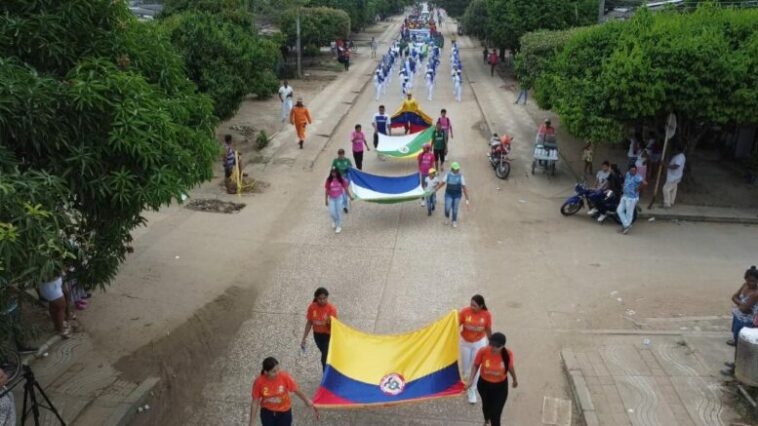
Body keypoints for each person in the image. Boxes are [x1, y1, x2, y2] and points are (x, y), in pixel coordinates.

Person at [464, 332, 518, 426]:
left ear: (502, 346)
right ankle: (486, 419)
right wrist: (470, 380)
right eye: (491, 344)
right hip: (484, 385)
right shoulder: (483, 351)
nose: (492, 348)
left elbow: (510, 367)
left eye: (496, 346)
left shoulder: (508, 354)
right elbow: (476, 365)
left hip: (500, 388)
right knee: (486, 406)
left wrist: (514, 379)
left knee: (496, 415)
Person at [249, 357, 315, 426]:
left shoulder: (284, 377)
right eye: (273, 371)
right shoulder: (259, 382)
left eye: (278, 369)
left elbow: (296, 389)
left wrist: (306, 400)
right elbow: (255, 401)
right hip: (267, 413)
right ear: (266, 372)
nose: (277, 373)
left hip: (285, 412)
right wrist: (252, 422)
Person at [722, 266, 758, 376]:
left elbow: (744, 308)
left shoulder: (755, 294)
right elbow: (734, 296)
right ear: (745, 279)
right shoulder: (744, 286)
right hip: (738, 318)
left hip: (747, 322)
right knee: (737, 342)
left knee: (740, 345)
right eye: (748, 280)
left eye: (753, 281)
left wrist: (740, 304)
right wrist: (741, 304)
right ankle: (736, 363)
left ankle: (736, 368)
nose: (750, 283)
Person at [459, 295, 493, 404]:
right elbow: (455, 324)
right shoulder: (465, 312)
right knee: (465, 368)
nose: (471, 307)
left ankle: (472, 389)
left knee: (476, 367)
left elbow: (488, 330)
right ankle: (464, 381)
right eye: (471, 304)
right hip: (465, 343)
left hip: (479, 344)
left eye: (474, 305)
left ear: (481, 306)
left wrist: (492, 345)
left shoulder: (486, 315)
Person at [300, 287, 337, 371]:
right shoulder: (312, 308)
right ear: (316, 298)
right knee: (326, 355)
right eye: (320, 298)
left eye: (324, 298)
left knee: (324, 358)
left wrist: (329, 323)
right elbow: (309, 322)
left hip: (328, 336)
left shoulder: (331, 309)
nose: (322, 300)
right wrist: (304, 338)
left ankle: (326, 378)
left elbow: (335, 326)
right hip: (317, 336)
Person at [616, 164, 646, 234]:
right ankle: (627, 225)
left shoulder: (638, 177)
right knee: (619, 210)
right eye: (631, 170)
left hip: (632, 198)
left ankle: (625, 227)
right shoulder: (627, 174)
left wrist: (638, 189)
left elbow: (645, 183)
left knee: (629, 214)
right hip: (625, 196)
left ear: (636, 170)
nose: (633, 172)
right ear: (629, 170)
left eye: (634, 170)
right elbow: (625, 182)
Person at [440, 162, 469, 228]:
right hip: (448, 194)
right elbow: (442, 183)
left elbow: (464, 187)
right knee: (447, 208)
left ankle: (454, 220)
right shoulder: (447, 175)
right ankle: (447, 217)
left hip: (457, 195)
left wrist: (467, 199)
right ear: (452, 169)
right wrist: (436, 189)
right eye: (455, 169)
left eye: (458, 169)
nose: (457, 170)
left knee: (455, 209)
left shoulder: (461, 176)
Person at [324, 167, 353, 234]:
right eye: (332, 172)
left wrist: (350, 197)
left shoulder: (341, 180)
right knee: (332, 213)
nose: (333, 174)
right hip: (331, 199)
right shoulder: (328, 180)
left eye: (335, 172)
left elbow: (346, 189)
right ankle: (334, 221)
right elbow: (327, 190)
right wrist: (325, 200)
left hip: (339, 198)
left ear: (337, 172)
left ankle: (339, 226)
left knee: (338, 212)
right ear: (331, 173)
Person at [331, 149, 353, 213]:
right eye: (339, 154)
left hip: (346, 178)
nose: (341, 156)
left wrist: (348, 168)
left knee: (344, 192)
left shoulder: (347, 160)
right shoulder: (335, 161)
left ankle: (344, 205)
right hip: (339, 178)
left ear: (344, 154)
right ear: (338, 154)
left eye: (342, 154)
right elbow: (333, 170)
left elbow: (351, 168)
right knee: (343, 192)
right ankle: (344, 205)